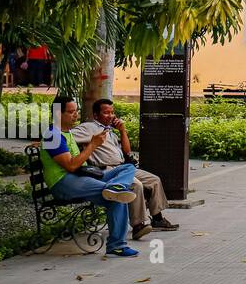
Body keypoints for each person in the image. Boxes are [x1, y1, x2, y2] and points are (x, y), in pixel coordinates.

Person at [40, 96, 140, 257]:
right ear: (59, 114)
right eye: (71, 112)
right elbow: (71, 165)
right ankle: (116, 246)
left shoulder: (66, 133)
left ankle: (116, 187)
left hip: (82, 177)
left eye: (76, 111)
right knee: (118, 198)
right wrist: (93, 145)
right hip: (64, 182)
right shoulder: (53, 135)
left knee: (127, 168)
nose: (76, 115)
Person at [71, 99, 179, 241]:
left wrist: (122, 130)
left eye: (112, 112)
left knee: (154, 180)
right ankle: (137, 225)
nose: (110, 116)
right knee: (136, 185)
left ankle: (157, 218)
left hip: (123, 167)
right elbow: (67, 135)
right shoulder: (88, 128)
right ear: (96, 115)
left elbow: (127, 152)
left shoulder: (110, 131)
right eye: (106, 113)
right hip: (107, 170)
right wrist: (47, 140)